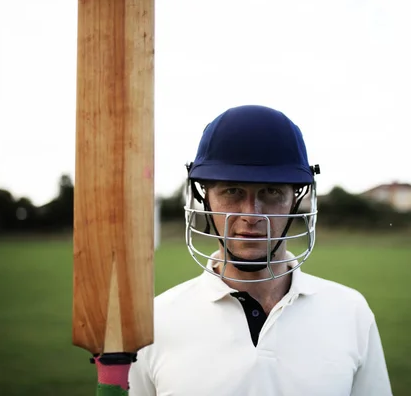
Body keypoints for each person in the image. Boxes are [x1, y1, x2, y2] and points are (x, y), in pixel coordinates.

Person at [128, 105, 392, 395]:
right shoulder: (156, 321)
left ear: (296, 199)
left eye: (271, 192)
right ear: (205, 199)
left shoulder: (350, 312)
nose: (251, 214)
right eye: (232, 191)